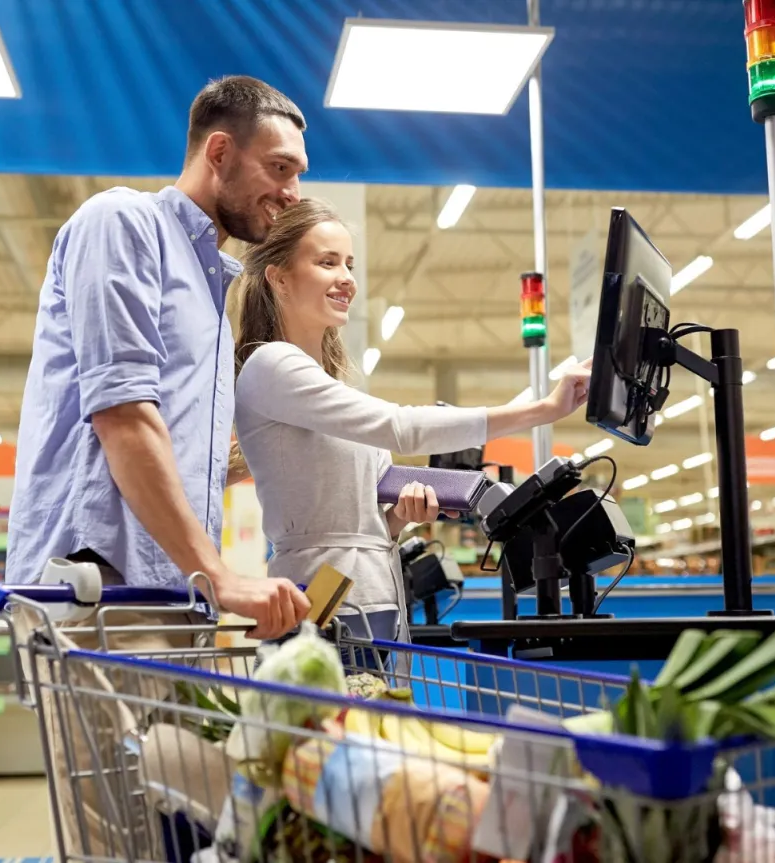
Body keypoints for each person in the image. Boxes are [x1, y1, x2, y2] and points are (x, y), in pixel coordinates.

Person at [5, 76, 314, 859]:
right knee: (117, 838)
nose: (293, 191)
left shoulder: (214, 288)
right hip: (97, 588)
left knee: (182, 832)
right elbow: (123, 418)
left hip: (166, 599)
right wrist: (221, 574)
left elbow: (177, 442)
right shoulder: (123, 223)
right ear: (220, 151)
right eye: (280, 168)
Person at [233, 198, 592, 646]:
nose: (346, 278)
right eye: (327, 263)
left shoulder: (323, 383)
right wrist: (543, 410)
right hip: (320, 610)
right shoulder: (272, 366)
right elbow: (401, 428)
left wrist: (398, 521)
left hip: (371, 599)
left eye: (349, 263)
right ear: (279, 277)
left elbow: (351, 522)